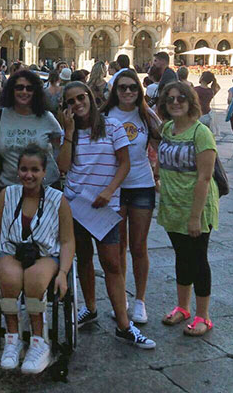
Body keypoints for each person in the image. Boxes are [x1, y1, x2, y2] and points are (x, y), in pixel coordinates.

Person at [57, 82, 156, 349]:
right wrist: (68, 131)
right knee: (84, 259)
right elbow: (63, 167)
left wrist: (109, 190)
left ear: (90, 97)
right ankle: (90, 308)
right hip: (76, 204)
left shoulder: (111, 125)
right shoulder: (70, 131)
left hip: (105, 205)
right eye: (71, 101)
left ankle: (124, 325)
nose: (78, 104)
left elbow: (124, 163)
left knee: (112, 263)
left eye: (81, 97)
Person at [0, 145, 76, 374]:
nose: (29, 175)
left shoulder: (58, 200)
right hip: (12, 251)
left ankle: (39, 341)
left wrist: (63, 274)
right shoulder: (7, 195)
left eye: (35, 170)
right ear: (17, 171)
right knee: (9, 277)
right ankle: (12, 338)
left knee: (35, 279)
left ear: (44, 172)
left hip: (45, 254)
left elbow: (67, 242)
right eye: (24, 169)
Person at [156, 82, 219, 336]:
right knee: (182, 257)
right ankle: (183, 307)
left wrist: (195, 217)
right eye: (170, 99)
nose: (175, 102)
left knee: (198, 259)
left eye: (181, 98)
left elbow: (204, 177)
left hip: (197, 207)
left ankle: (203, 316)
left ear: (190, 101)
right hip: (172, 205)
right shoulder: (168, 128)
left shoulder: (200, 132)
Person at [102, 69, 161, 325]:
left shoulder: (147, 116)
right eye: (123, 87)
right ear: (115, 91)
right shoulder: (104, 116)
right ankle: (122, 299)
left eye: (132, 88)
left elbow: (162, 143)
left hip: (141, 185)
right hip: (114, 189)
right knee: (118, 248)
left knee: (139, 246)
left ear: (139, 91)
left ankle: (140, 301)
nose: (127, 92)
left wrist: (158, 172)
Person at [0, 70, 62, 190]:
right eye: (19, 87)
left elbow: (59, 148)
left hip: (43, 187)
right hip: (9, 187)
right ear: (11, 90)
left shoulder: (46, 117)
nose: (24, 92)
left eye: (29, 88)